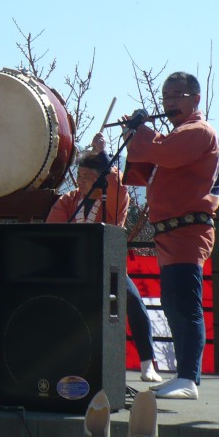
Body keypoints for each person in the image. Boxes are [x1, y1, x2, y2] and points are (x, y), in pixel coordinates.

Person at [122, 71, 219, 400]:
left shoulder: (198, 131)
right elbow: (142, 166)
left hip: (187, 230)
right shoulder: (178, 135)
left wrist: (143, 133)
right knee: (175, 302)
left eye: (178, 95)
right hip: (171, 233)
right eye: (166, 97)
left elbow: (162, 152)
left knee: (184, 303)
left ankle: (188, 378)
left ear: (196, 99)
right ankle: (184, 376)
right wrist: (137, 135)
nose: (171, 102)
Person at [45, 133, 162, 383]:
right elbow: (54, 228)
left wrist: (104, 154)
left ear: (101, 179)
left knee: (132, 300)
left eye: (88, 178)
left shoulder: (113, 197)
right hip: (73, 266)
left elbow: (118, 189)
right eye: (80, 177)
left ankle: (147, 362)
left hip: (107, 264)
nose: (82, 182)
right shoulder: (69, 200)